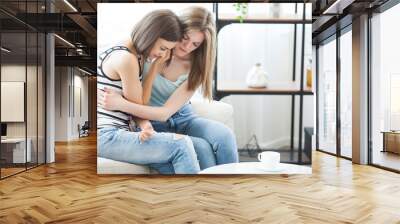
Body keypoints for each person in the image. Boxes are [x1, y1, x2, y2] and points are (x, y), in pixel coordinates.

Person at [98, 6, 239, 171]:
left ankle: (227, 189)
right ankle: (206, 192)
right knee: (200, 148)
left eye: (195, 44)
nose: (187, 47)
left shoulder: (195, 66)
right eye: (185, 38)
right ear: (177, 31)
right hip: (152, 121)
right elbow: (135, 95)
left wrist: (120, 104)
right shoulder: (147, 50)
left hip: (182, 117)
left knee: (224, 136)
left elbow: (165, 112)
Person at [97, 9, 200, 174]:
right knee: (182, 144)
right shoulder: (126, 58)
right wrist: (155, 67)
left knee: (170, 167)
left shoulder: (134, 53)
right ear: (151, 34)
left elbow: (136, 106)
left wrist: (146, 126)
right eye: (162, 48)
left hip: (120, 132)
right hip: (107, 136)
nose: (163, 54)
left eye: (167, 50)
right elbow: (141, 104)